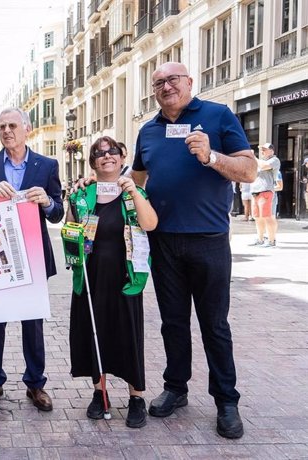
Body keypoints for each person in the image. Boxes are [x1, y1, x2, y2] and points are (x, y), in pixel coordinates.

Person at [131, 62, 256, 439]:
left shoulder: (217, 116)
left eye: (172, 79)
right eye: (158, 83)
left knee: (214, 325)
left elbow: (249, 171)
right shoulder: (148, 130)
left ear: (189, 82)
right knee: (172, 323)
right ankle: (176, 388)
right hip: (164, 241)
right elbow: (137, 178)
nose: (166, 86)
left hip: (209, 240)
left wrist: (212, 157)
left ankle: (226, 401)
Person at [0, 107, 64, 412]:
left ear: (27, 128)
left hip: (33, 257)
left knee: (32, 324)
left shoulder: (47, 165)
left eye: (12, 125)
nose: (7, 131)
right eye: (1, 127)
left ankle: (36, 384)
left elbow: (58, 212)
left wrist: (47, 201)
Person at [67, 137, 157, 428]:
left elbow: (150, 224)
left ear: (122, 157)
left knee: (128, 335)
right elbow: (70, 231)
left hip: (125, 277)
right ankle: (99, 392)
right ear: (93, 162)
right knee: (95, 335)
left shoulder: (135, 191)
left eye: (112, 152)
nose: (106, 156)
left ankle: (136, 398)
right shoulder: (83, 194)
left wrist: (134, 192)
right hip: (91, 279)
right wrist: (73, 199)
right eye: (99, 153)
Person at [248, 143, 280, 247]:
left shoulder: (274, 160)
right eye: (262, 149)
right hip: (255, 191)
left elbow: (264, 166)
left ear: (272, 151)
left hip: (265, 191)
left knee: (268, 217)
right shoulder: (259, 161)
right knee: (258, 217)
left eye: (265, 149)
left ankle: (271, 241)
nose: (262, 151)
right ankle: (260, 239)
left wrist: (253, 157)